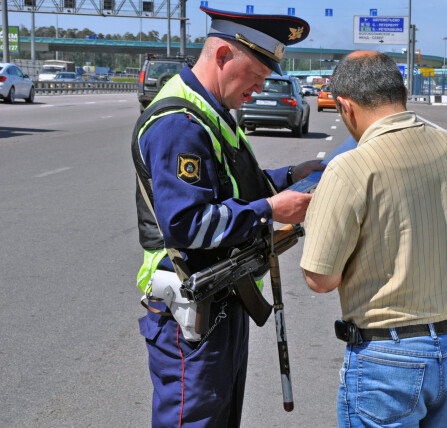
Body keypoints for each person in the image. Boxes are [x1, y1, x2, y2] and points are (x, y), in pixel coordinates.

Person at [132, 7, 322, 427]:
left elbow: (233, 188)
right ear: (222, 56)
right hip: (192, 310)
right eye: (255, 75)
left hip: (223, 299)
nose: (258, 88)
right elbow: (187, 223)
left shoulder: (211, 112)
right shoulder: (179, 123)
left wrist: (292, 177)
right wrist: (272, 209)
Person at [299, 51, 447, 428]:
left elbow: (320, 279)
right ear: (400, 93)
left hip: (387, 357)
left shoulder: (350, 166)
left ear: (345, 106)